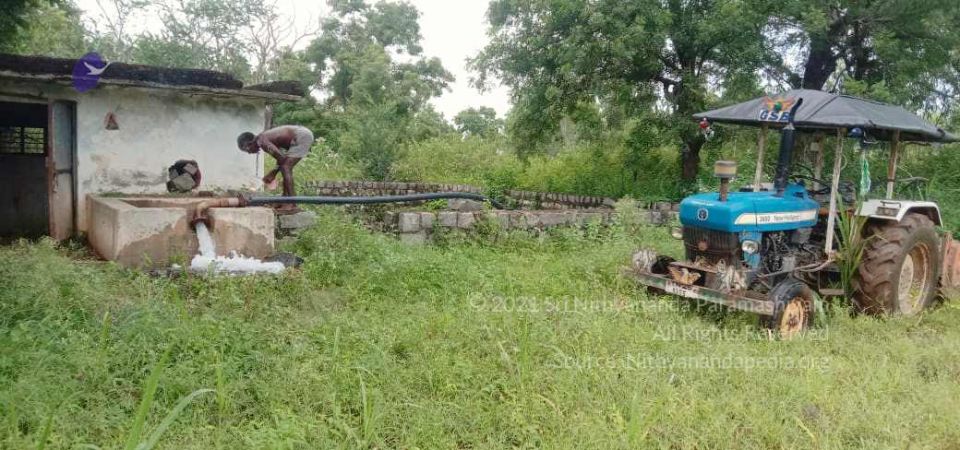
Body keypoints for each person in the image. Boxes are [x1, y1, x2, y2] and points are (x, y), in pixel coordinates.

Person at [237, 125, 314, 213]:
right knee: (285, 167)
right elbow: (281, 158)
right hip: (300, 135)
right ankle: (285, 201)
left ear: (249, 144)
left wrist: (273, 173)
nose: (249, 153)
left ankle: (292, 203)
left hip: (301, 136)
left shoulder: (262, 142)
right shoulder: (262, 139)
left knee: (286, 168)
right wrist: (273, 172)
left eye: (247, 150)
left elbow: (281, 158)